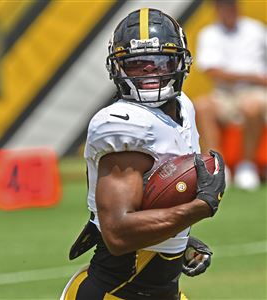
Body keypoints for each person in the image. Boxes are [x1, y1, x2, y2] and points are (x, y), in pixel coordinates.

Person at [60, 8, 226, 300]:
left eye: (161, 62)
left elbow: (153, 199)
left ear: (182, 62)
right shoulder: (123, 123)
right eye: (137, 64)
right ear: (118, 68)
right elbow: (118, 234)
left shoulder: (183, 106)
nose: (150, 71)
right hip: (115, 292)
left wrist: (178, 241)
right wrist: (200, 207)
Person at [194, 0, 267, 190]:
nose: (228, 9)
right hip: (224, 93)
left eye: (231, 5)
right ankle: (218, 167)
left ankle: (247, 166)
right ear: (217, 10)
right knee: (201, 106)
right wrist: (253, 76)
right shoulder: (209, 34)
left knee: (252, 106)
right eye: (223, 6)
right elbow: (212, 71)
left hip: (255, 92)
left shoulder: (256, 30)